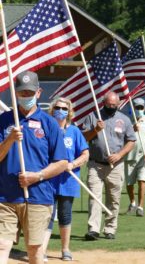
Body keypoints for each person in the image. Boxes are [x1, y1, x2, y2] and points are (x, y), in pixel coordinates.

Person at [0, 70, 68, 264]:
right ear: (15, 93)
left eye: (30, 93)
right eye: (22, 93)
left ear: (39, 93)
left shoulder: (49, 123)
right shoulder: (4, 121)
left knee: (35, 250)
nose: (26, 97)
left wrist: (36, 176)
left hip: (38, 196)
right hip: (5, 196)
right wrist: (10, 139)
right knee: (2, 245)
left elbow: (62, 162)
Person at [82, 92, 136, 241]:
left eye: (114, 105)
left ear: (118, 104)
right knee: (94, 196)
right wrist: (96, 130)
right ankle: (93, 229)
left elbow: (131, 140)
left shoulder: (124, 120)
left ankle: (110, 228)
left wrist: (119, 155)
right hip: (96, 164)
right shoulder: (93, 117)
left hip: (116, 166)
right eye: (109, 105)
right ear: (103, 102)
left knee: (114, 198)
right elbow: (83, 138)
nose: (111, 107)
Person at [43, 97, 89, 261]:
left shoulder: (74, 131)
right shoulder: (46, 128)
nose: (60, 110)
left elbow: (85, 153)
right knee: (46, 215)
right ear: (52, 108)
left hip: (68, 182)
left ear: (69, 112)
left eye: (64, 108)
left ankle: (65, 249)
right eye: (57, 107)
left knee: (65, 215)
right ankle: (42, 250)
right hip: (48, 180)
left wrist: (73, 164)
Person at [125, 98, 145, 217]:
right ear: (132, 108)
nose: (139, 110)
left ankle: (140, 207)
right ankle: (132, 203)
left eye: (141, 107)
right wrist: (131, 130)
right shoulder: (127, 121)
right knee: (129, 183)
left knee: (142, 180)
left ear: (144, 108)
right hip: (129, 156)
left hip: (144, 157)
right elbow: (122, 139)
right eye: (136, 108)